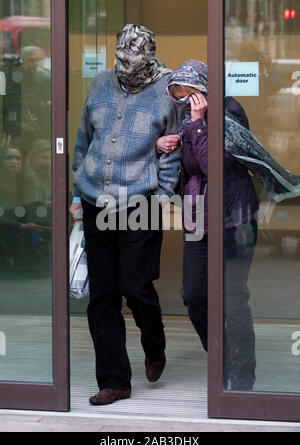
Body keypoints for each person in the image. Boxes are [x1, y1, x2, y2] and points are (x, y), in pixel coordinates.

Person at [70, 24, 181, 406]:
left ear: (149, 59)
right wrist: (75, 193)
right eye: (121, 60)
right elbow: (83, 140)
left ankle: (155, 343)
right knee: (102, 296)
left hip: (141, 201)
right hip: (95, 199)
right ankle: (115, 381)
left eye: (134, 62)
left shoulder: (167, 93)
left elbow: (174, 152)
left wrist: (163, 197)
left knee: (135, 285)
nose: (126, 68)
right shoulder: (99, 83)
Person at [166, 60, 259, 391]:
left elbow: (213, 166)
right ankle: (219, 357)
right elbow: (191, 165)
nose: (184, 103)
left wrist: (198, 124)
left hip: (235, 213)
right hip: (198, 215)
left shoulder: (230, 111)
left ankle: (243, 373)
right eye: (178, 97)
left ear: (202, 88)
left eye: (188, 94)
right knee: (193, 293)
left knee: (233, 297)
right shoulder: (187, 120)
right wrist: (166, 142)